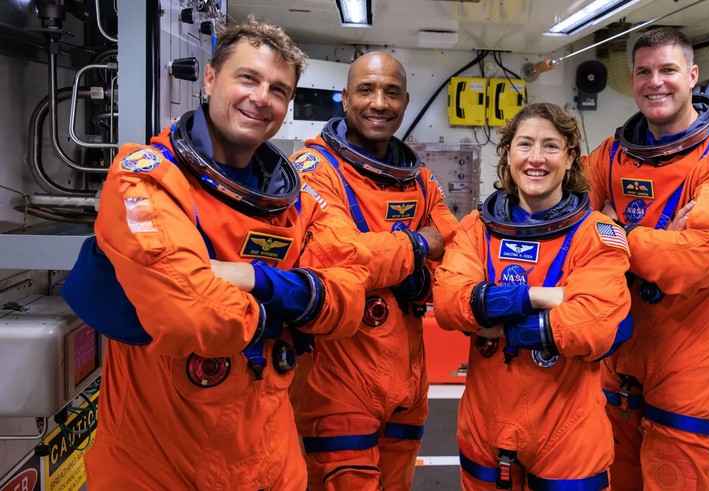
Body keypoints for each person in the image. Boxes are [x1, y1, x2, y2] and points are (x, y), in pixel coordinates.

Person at [61, 16, 370, 490]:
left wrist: (254, 279)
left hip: (271, 462)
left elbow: (349, 297)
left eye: (278, 89)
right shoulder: (145, 177)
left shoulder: (299, 201)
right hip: (160, 467)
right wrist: (293, 308)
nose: (260, 98)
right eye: (247, 77)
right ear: (210, 78)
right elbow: (194, 315)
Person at [582, 27, 709, 491]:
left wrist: (617, 232)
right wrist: (659, 240)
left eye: (667, 70)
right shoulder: (611, 156)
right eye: (643, 72)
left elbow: (697, 258)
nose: (655, 82)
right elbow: (567, 231)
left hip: (693, 364)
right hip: (619, 357)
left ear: (692, 75)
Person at [433, 102, 632, 491]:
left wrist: (497, 323)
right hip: (484, 424)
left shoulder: (597, 234)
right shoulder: (478, 228)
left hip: (568, 429)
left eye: (550, 146)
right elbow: (448, 302)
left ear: (570, 157)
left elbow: (594, 326)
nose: (536, 159)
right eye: (524, 145)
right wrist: (543, 298)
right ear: (508, 154)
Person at [287, 51, 459, 490]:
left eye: (391, 92)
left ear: (404, 102)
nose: (378, 102)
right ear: (345, 98)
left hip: (407, 379)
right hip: (337, 378)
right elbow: (337, 257)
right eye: (366, 90)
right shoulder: (315, 169)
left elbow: (457, 255)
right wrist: (419, 244)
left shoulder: (418, 179)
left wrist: (408, 273)